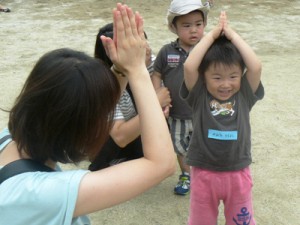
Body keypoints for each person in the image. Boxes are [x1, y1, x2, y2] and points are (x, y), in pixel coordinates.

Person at [0, 3, 176, 225]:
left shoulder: (10, 138)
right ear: (80, 129)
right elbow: (161, 164)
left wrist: (122, 68)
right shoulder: (42, 194)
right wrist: (138, 70)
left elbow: (89, 104)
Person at [181, 11, 264, 225]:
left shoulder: (244, 94)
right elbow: (190, 66)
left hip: (237, 173)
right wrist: (211, 36)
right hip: (203, 173)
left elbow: (255, 66)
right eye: (217, 77)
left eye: (233, 76)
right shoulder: (200, 94)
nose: (225, 84)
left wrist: (232, 35)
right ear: (204, 77)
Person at [89, 22, 171, 170]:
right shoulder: (102, 83)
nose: (145, 49)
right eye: (137, 46)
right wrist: (155, 103)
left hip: (138, 135)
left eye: (143, 42)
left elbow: (168, 96)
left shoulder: (151, 62)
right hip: (111, 143)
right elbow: (120, 136)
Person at [151, 0, 211, 195]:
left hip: (203, 112)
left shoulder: (209, 50)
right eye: (186, 25)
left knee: (203, 144)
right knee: (179, 146)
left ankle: (203, 175)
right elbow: (157, 73)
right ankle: (187, 174)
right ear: (174, 28)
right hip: (176, 113)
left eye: (198, 24)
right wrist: (157, 97)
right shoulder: (166, 52)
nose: (193, 30)